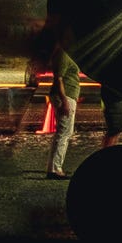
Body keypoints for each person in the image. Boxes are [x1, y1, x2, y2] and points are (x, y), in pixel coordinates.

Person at [32, 20, 82, 179]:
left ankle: (54, 167)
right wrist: (65, 100)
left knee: (65, 133)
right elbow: (59, 79)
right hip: (65, 95)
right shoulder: (63, 54)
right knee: (64, 133)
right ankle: (55, 169)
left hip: (68, 95)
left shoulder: (65, 54)